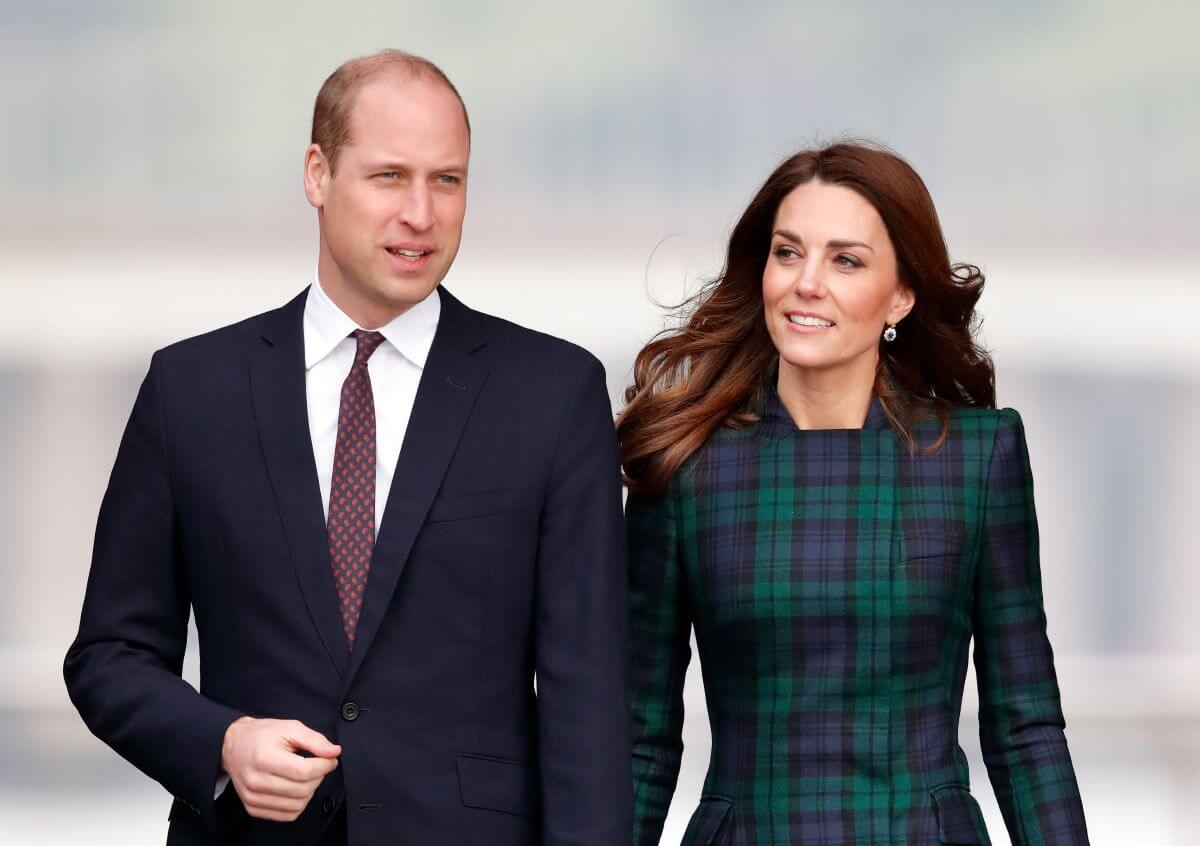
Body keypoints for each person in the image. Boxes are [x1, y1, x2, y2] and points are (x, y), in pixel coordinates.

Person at [64, 49, 631, 846]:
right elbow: (109, 656)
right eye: (390, 177)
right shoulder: (192, 391)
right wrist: (224, 743)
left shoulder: (554, 394)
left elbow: (591, 699)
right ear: (317, 174)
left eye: (448, 180)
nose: (422, 214)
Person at [619, 142, 1088, 845]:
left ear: (901, 294)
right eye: (788, 253)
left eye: (846, 260)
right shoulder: (687, 466)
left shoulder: (976, 457)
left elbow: (1025, 729)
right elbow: (638, 738)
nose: (808, 282)